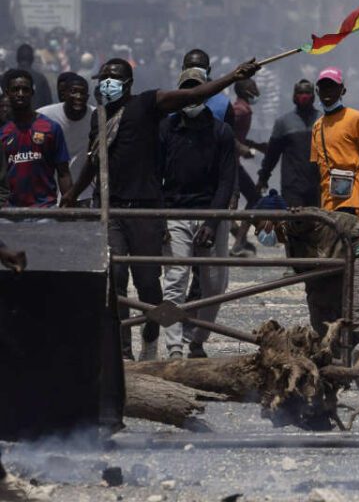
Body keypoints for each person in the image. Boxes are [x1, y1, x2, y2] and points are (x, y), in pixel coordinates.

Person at [61, 55, 259, 361]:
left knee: (148, 284)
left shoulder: (147, 104)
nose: (107, 84)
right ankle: (123, 351)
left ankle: (151, 335)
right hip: (113, 210)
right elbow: (93, 159)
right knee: (116, 278)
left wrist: (234, 77)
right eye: (103, 80)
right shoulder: (98, 117)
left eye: (113, 78)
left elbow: (194, 95)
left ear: (127, 83)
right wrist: (73, 193)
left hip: (145, 211)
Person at [254, 199, 359, 397]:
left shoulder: (296, 222)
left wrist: (294, 217)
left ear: (273, 219)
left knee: (356, 314)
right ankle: (345, 370)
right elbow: (314, 286)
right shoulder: (293, 244)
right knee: (322, 317)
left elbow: (307, 219)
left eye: (258, 226)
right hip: (345, 259)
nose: (258, 234)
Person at [158, 67, 237, 360]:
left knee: (215, 285)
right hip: (175, 212)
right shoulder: (166, 128)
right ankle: (174, 346)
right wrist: (159, 217)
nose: (191, 96)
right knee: (175, 280)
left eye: (196, 88)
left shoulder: (221, 131)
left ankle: (198, 339)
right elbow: (155, 174)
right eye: (186, 88)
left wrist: (212, 222)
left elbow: (226, 180)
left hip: (210, 213)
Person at [311, 67, 359, 223]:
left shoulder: (358, 119)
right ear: (317, 91)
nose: (328, 91)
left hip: (353, 199)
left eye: (332, 86)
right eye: (324, 87)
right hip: (328, 202)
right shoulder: (317, 126)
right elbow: (316, 171)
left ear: (342, 90)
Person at [1, 69, 72, 208]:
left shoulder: (51, 128)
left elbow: (63, 172)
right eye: (16, 89)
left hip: (45, 211)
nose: (20, 94)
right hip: (9, 213)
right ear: (7, 93)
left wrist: (68, 205)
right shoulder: (2, 131)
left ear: (32, 93)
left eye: (25, 89)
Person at [257, 79, 322, 207]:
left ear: (313, 97)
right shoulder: (283, 123)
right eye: (300, 93)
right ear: (294, 96)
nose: (304, 96)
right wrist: (263, 178)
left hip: (317, 185)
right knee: (294, 223)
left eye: (307, 93)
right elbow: (272, 155)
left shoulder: (322, 120)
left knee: (316, 224)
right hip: (292, 187)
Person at [38, 72, 92, 205]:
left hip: (87, 192)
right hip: (53, 193)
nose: (78, 97)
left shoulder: (96, 116)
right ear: (64, 94)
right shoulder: (44, 115)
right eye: (74, 92)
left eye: (82, 93)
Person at [229, 78, 265, 255]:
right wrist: (243, 149)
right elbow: (227, 134)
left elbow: (238, 136)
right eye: (253, 87)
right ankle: (238, 239)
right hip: (229, 164)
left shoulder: (244, 110)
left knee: (253, 197)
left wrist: (257, 146)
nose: (257, 90)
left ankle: (239, 239)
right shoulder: (239, 111)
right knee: (235, 202)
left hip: (234, 163)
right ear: (245, 91)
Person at [182, 48, 235, 126]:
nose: (195, 71)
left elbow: (229, 135)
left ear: (208, 70)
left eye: (200, 67)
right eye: (190, 66)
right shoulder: (170, 102)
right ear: (183, 69)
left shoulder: (223, 105)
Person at [15, 43, 53, 110]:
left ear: (17, 58)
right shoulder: (40, 79)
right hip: (36, 118)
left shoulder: (5, 78)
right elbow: (48, 105)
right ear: (32, 59)